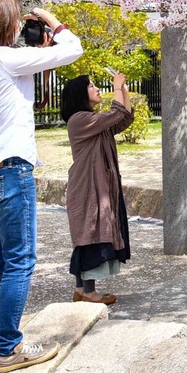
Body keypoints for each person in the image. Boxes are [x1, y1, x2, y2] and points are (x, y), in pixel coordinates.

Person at [0, 0, 83, 373]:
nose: (16, 24)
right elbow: (73, 49)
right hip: (11, 171)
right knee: (20, 261)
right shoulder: (5, 59)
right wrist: (52, 21)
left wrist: (36, 51)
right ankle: (9, 349)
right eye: (13, 17)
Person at [60, 71, 134, 305]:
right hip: (88, 186)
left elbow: (123, 118)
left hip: (97, 184)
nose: (97, 89)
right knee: (90, 234)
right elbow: (116, 113)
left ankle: (81, 290)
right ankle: (89, 293)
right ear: (80, 94)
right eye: (92, 86)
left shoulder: (94, 121)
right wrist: (116, 87)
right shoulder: (79, 120)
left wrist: (123, 89)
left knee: (89, 235)